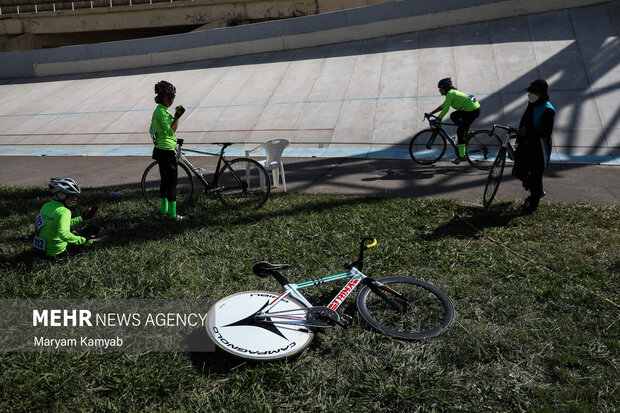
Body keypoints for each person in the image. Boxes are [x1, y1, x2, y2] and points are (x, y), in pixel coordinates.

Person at [512, 79, 555, 214]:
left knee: (536, 176)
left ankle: (533, 203)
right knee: (518, 171)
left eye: (533, 92)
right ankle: (537, 191)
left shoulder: (548, 110)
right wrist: (519, 136)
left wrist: (527, 132)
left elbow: (546, 133)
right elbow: (525, 121)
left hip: (539, 147)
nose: (529, 95)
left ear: (540, 93)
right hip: (526, 143)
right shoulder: (532, 103)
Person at [33, 177, 100, 259]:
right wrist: (84, 240)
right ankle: (88, 245)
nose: (75, 198)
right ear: (62, 195)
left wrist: (82, 217)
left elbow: (59, 224)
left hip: (39, 252)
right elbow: (64, 235)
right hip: (57, 255)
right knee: (93, 229)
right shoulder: (64, 211)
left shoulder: (46, 206)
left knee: (72, 232)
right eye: (73, 195)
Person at [150, 80, 186, 221]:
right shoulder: (162, 112)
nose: (171, 100)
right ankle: (172, 215)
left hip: (161, 149)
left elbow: (153, 130)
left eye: (173, 97)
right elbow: (171, 131)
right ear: (161, 97)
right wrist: (177, 116)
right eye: (168, 97)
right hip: (166, 151)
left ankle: (164, 211)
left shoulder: (159, 111)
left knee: (165, 181)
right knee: (171, 183)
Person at [427, 78, 481, 164]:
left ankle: (462, 156)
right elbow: (443, 106)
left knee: (460, 132)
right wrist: (431, 113)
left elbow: (446, 109)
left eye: (440, 89)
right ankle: (465, 131)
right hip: (471, 109)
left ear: (445, 88)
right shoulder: (451, 93)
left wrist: (438, 119)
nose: (439, 91)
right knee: (454, 116)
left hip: (472, 111)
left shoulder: (450, 94)